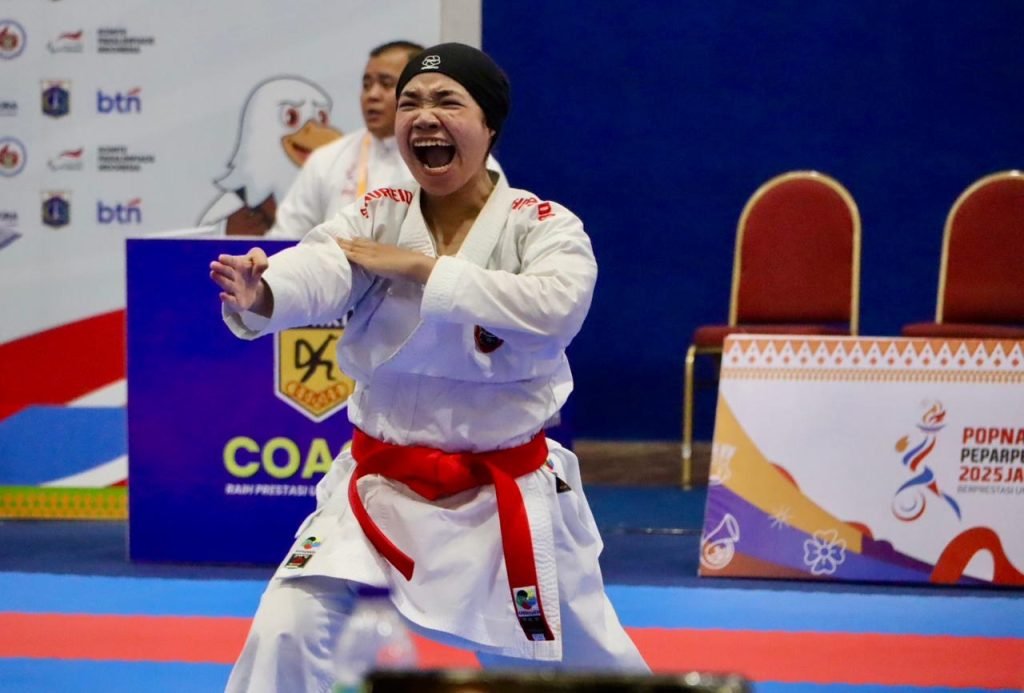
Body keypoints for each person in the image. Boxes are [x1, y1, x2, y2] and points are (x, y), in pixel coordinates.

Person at [210, 42, 648, 692]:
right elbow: (323, 263)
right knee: (288, 626)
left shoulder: (543, 225)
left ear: (489, 125)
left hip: (503, 492)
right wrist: (266, 290)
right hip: (378, 485)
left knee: (575, 663)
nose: (423, 116)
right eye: (411, 102)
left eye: (447, 101)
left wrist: (423, 270)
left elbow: (554, 308)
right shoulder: (379, 212)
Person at [267, 40, 424, 238]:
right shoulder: (327, 160)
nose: (372, 95)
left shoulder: (436, 160)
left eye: (386, 84)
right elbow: (284, 238)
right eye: (366, 85)